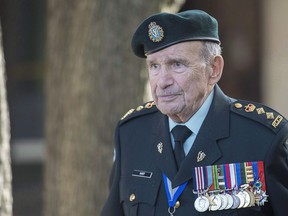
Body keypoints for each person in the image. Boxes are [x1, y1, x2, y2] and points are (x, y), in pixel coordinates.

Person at [101, 10, 288, 216]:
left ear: (214, 69)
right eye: (154, 66)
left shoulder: (263, 138)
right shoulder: (132, 133)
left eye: (177, 64)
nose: (162, 81)